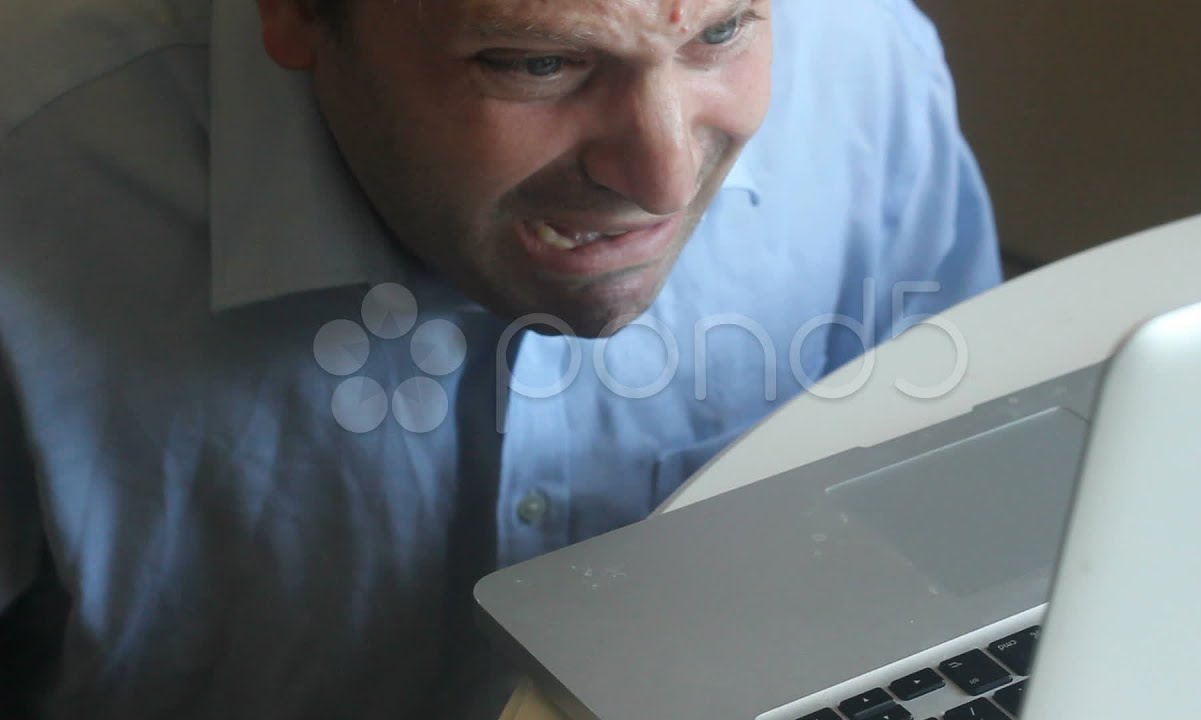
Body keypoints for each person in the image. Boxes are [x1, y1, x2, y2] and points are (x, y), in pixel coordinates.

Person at [0, 0, 1001, 717]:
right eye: (534, 63)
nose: (661, 174)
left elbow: (962, 526)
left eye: (721, 33)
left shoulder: (874, 72)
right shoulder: (33, 173)